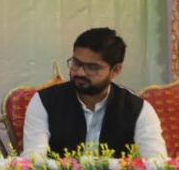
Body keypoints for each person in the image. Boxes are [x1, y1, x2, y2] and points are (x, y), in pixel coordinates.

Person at [22, 27, 167, 157]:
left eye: (92, 67)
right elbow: (33, 160)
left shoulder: (138, 109)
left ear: (115, 70)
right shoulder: (44, 102)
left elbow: (156, 164)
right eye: (76, 63)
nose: (80, 72)